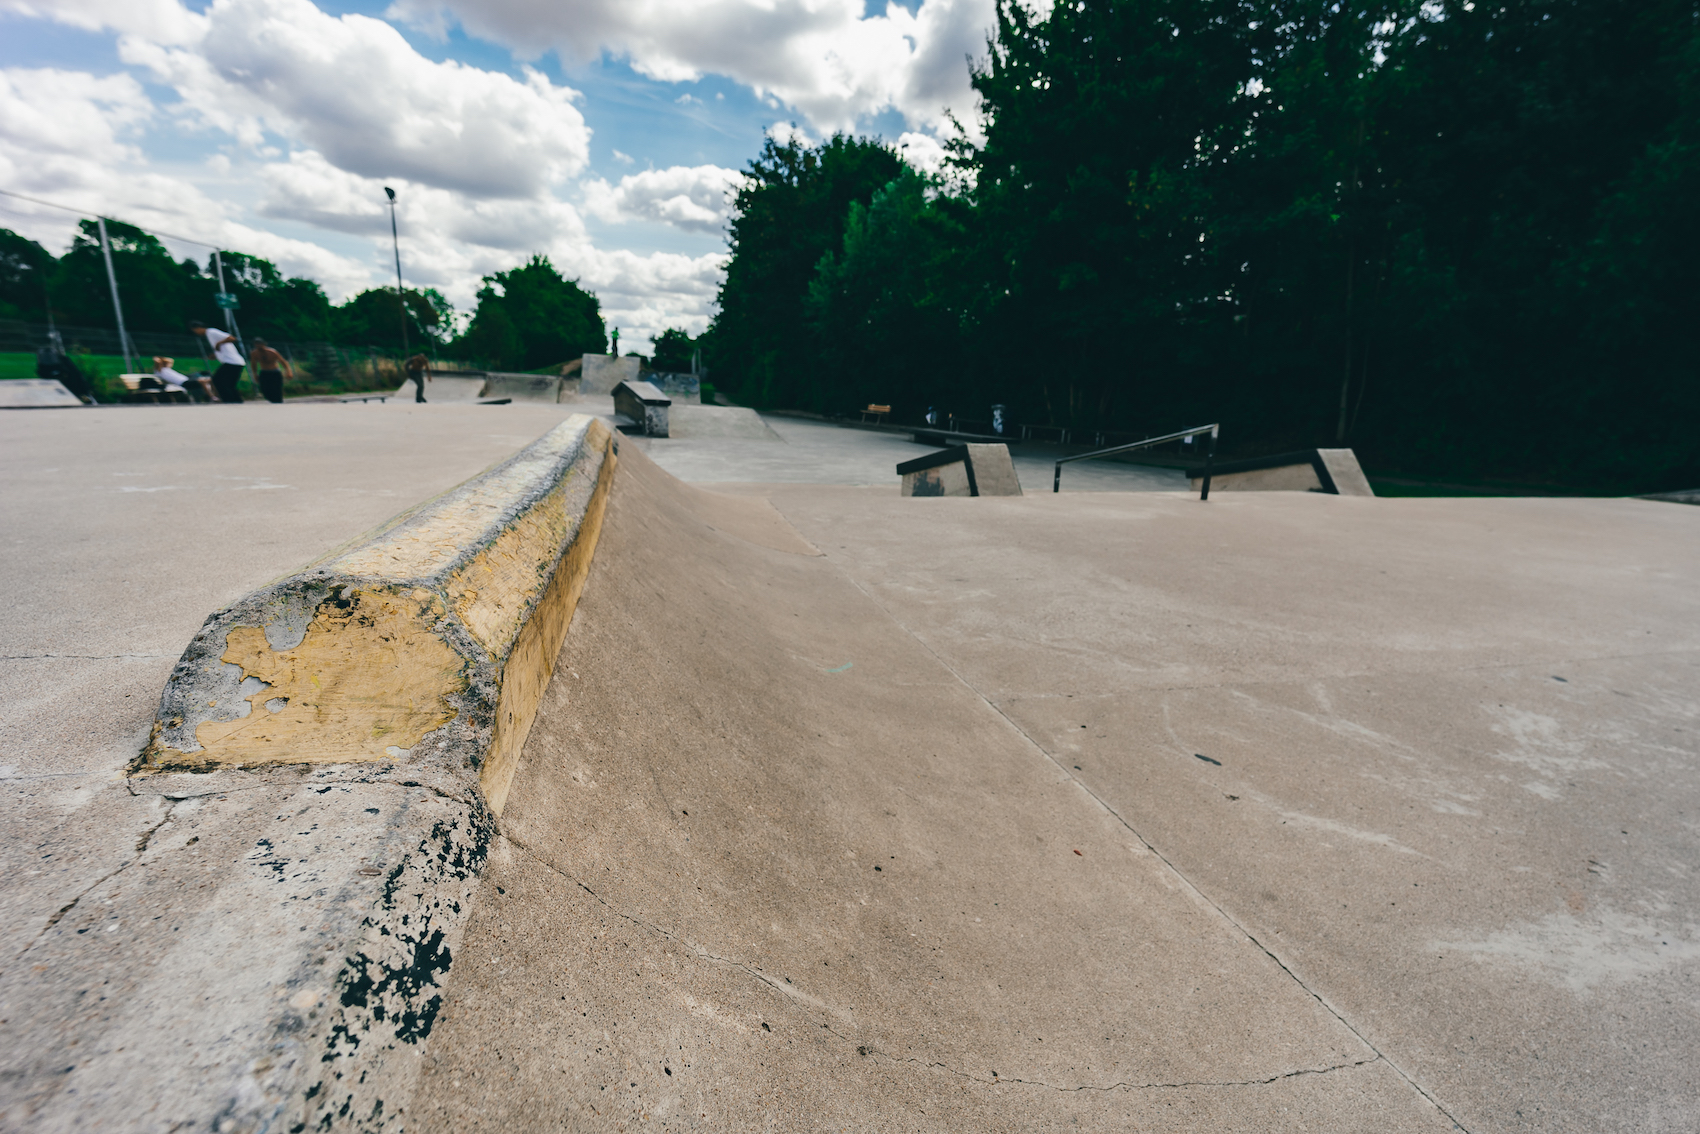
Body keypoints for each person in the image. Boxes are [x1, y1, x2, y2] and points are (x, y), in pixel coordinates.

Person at [190, 321, 246, 402]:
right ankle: (237, 400)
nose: (196, 333)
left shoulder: (212, 332)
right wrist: (215, 354)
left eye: (195, 331)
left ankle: (229, 400)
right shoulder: (209, 334)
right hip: (235, 362)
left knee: (217, 380)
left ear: (198, 328)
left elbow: (232, 338)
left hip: (232, 362)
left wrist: (219, 343)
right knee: (230, 384)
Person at [248, 339, 294, 404]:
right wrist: (255, 374)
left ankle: (278, 402)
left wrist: (289, 371)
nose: (258, 346)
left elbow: (283, 361)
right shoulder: (254, 353)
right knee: (264, 389)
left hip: (274, 372)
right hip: (264, 372)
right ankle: (272, 400)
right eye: (257, 344)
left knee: (276, 389)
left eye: (260, 344)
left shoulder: (272, 352)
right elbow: (253, 364)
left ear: (264, 344)